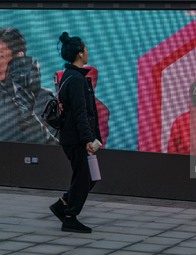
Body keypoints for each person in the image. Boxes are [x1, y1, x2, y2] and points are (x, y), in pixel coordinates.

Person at [49, 32, 102, 233]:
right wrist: (88, 139)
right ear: (80, 54)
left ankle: (62, 204)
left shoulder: (70, 77)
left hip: (72, 137)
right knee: (83, 178)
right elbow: (80, 113)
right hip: (76, 138)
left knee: (89, 178)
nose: (88, 52)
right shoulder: (76, 80)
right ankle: (70, 217)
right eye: (86, 49)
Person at [0, 27, 57, 144]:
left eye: (1, 56)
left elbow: (55, 149)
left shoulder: (45, 99)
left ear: (19, 57)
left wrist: (29, 116)